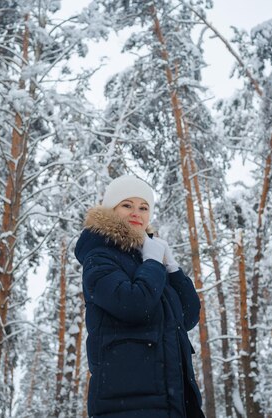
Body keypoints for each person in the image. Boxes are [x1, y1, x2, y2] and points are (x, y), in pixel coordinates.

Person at [74, 175, 206, 418]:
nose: (137, 213)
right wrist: (154, 262)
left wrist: (172, 269)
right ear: (111, 210)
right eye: (127, 205)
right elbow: (133, 304)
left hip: (173, 399)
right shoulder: (99, 257)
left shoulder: (146, 259)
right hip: (128, 402)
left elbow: (187, 316)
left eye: (143, 207)